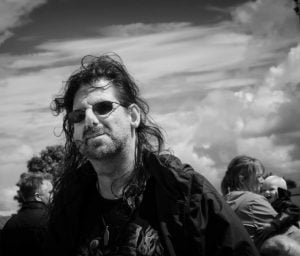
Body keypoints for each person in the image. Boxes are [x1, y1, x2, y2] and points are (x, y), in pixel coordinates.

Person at [48, 53, 259, 256]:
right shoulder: (68, 203)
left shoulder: (185, 194)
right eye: (78, 115)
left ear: (133, 116)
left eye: (103, 107)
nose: (90, 120)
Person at [221, 155, 300, 249]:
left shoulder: (225, 201)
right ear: (242, 179)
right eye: (259, 176)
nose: (262, 181)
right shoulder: (253, 201)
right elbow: (293, 235)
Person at [1, 172, 53, 256]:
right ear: (37, 196)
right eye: (50, 192)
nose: (53, 196)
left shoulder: (10, 224)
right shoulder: (52, 220)